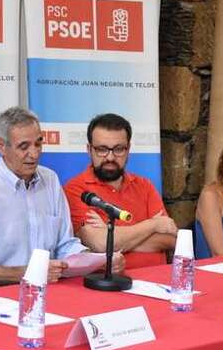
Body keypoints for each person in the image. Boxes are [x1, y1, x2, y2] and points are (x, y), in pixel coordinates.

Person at [0, 108, 123, 291]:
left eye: (38, 144)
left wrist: (97, 261)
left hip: (41, 290)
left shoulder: (50, 180)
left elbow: (64, 245)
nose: (34, 154)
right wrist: (30, 272)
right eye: (24, 146)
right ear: (1, 146)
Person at [63, 113, 176, 269]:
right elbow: (100, 244)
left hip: (159, 280)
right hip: (111, 285)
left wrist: (113, 236)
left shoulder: (145, 185)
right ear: (89, 150)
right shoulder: (76, 189)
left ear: (128, 149)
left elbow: (170, 238)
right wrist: (152, 225)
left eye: (118, 149)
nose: (110, 157)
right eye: (102, 149)